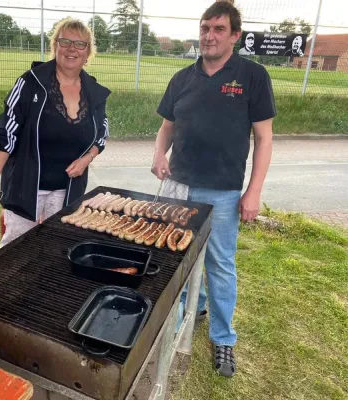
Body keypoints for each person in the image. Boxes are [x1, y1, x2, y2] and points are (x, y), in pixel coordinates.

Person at [151, 1, 276, 377]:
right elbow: (167, 126)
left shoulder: (252, 76)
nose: (210, 35)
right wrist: (159, 153)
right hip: (178, 184)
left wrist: (253, 191)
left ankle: (223, 339)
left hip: (222, 191)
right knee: (178, 258)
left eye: (219, 29)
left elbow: (264, 139)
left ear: (235, 36)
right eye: (205, 28)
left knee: (220, 264)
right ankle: (191, 308)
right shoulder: (182, 77)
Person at [0, 17, 111, 248]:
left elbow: (101, 132)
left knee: (57, 247)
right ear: (55, 46)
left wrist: (87, 159)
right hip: (27, 185)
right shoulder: (31, 82)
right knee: (16, 248)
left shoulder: (93, 90)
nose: (72, 49)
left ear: (88, 51)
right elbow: (6, 133)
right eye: (65, 41)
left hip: (68, 188)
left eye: (80, 44)